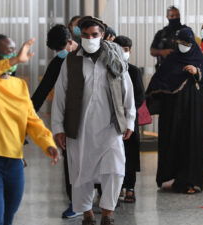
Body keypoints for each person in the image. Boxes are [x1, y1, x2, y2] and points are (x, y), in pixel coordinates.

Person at [0, 35, 60, 225]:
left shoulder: (19, 85)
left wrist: (47, 143)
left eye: (16, 51)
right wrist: (14, 61)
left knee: (7, 220)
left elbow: (32, 120)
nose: (17, 54)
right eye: (11, 51)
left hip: (15, 163)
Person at [51, 17, 136, 225]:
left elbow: (128, 91)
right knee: (81, 172)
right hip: (79, 126)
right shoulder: (71, 61)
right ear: (79, 36)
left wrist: (130, 120)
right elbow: (60, 95)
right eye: (85, 35)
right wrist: (58, 127)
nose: (90, 39)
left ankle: (108, 212)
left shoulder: (115, 58)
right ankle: (87, 213)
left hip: (110, 125)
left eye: (94, 35)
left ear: (102, 35)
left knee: (115, 170)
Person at [146, 28, 203, 194]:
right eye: (180, 43)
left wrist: (197, 72)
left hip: (193, 110)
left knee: (192, 142)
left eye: (186, 43)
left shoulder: (198, 59)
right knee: (173, 141)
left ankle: (191, 182)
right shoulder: (171, 60)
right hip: (172, 112)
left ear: (191, 43)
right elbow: (158, 81)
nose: (183, 46)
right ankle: (171, 177)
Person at [30, 24, 81, 219]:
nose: (60, 53)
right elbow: (41, 93)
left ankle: (98, 198)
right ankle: (77, 201)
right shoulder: (60, 62)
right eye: (56, 50)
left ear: (70, 42)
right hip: (70, 118)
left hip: (88, 117)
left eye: (61, 48)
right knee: (72, 159)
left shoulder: (86, 57)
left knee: (91, 158)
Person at [113, 35, 145, 203]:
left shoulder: (133, 70)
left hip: (130, 120)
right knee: (115, 155)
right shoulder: (109, 68)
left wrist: (127, 113)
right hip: (112, 120)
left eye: (126, 50)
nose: (124, 53)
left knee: (130, 154)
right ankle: (115, 188)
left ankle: (130, 187)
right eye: (120, 49)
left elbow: (140, 96)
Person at [150, 6, 187, 71]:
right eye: (172, 16)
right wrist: (162, 52)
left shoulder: (187, 31)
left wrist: (178, 41)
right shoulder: (161, 33)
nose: (175, 17)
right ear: (167, 17)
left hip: (183, 69)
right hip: (164, 69)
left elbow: (192, 46)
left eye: (177, 15)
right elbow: (152, 51)